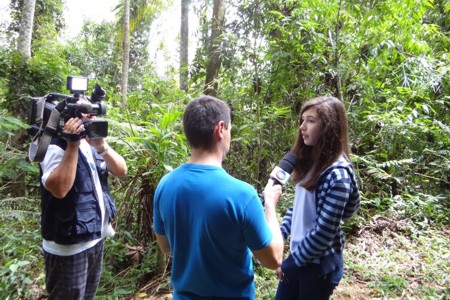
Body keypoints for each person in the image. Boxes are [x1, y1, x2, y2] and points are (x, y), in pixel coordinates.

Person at [153, 95, 284, 299]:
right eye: (230, 129)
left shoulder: (165, 185)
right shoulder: (242, 195)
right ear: (220, 129)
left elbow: (165, 246)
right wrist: (270, 206)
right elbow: (274, 259)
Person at [38, 96, 127, 299]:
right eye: (84, 111)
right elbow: (60, 189)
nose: (90, 116)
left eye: (91, 111)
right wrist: (72, 144)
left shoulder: (92, 142)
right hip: (69, 247)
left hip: (94, 239)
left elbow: (121, 170)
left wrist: (102, 146)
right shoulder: (56, 145)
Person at [275, 96, 360, 300]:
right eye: (302, 120)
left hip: (317, 268)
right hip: (300, 259)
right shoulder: (310, 162)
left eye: (310, 121)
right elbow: (298, 209)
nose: (302, 127)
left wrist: (291, 262)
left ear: (328, 127)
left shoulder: (337, 175)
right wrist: (279, 234)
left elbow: (324, 232)